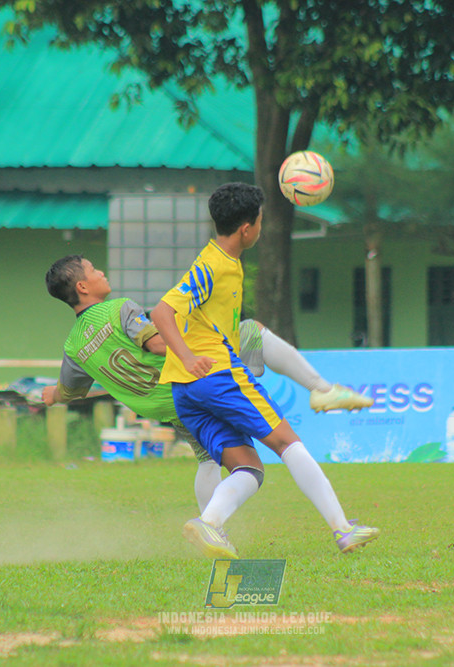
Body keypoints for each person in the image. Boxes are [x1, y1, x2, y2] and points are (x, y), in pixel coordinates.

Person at [41, 255, 372, 517]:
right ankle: (321, 389)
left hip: (166, 408)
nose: (101, 272)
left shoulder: (74, 346)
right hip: (191, 382)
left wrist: (51, 395)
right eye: (94, 270)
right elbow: (156, 344)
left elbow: (70, 391)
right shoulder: (119, 309)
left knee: (207, 459)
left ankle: (211, 529)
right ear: (83, 286)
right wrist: (197, 347)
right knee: (251, 330)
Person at [151, 182, 379, 558]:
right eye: (260, 220)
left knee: (250, 469)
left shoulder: (217, 260)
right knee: (287, 443)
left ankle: (209, 523)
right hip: (217, 376)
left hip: (185, 390)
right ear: (246, 229)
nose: (261, 226)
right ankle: (343, 529)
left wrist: (188, 363)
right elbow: (162, 312)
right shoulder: (214, 266)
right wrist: (190, 357)